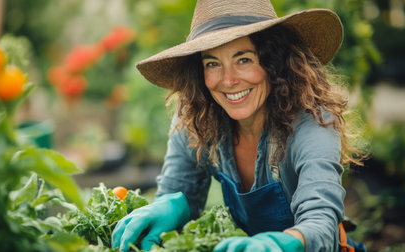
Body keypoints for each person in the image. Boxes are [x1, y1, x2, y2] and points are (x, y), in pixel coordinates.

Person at [112, 0, 366, 251]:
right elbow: (179, 190)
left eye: (243, 59)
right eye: (212, 64)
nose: (228, 80)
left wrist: (283, 244)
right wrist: (172, 204)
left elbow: (322, 222)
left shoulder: (313, 123)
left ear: (274, 62)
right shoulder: (197, 119)